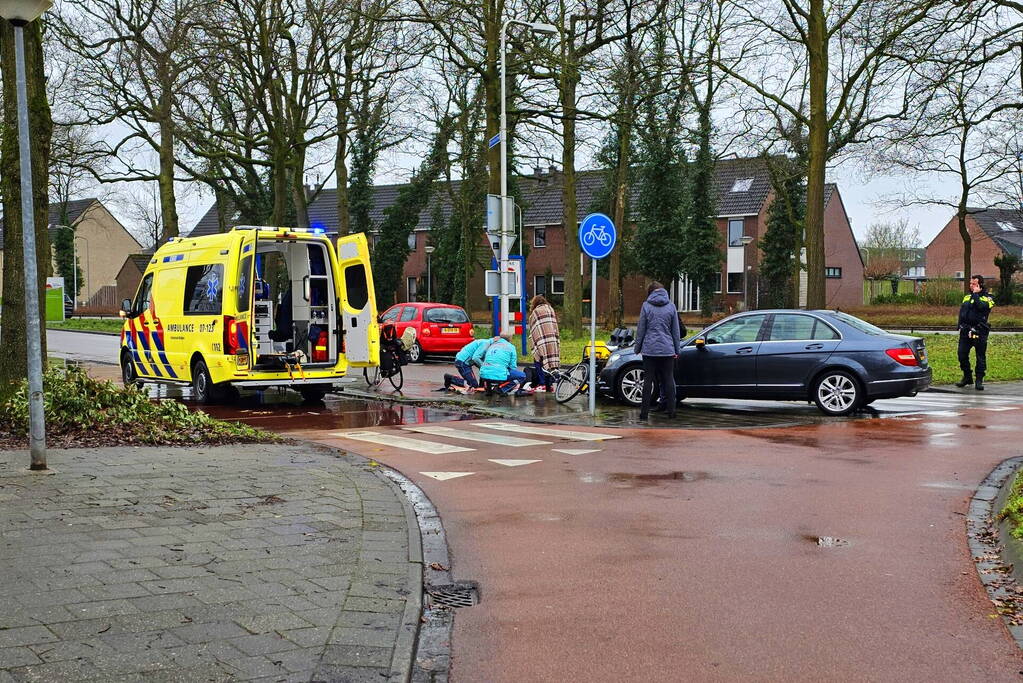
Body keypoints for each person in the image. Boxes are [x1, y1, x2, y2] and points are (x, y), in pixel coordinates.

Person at [635, 281, 681, 420]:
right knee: (669, 379)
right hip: (667, 350)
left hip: (650, 350)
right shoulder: (671, 306)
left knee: (648, 381)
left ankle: (644, 413)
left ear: (650, 292)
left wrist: (637, 348)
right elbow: (675, 331)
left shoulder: (646, 306)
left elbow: (641, 329)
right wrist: (677, 350)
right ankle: (672, 412)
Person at [956, 274, 995, 390]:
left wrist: (976, 294)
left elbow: (982, 307)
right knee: (961, 354)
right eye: (971, 283)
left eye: (974, 284)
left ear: (980, 285)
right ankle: (967, 376)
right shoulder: (967, 297)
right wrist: (959, 325)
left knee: (980, 356)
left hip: (980, 330)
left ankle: (979, 380)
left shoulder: (988, 298)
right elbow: (962, 312)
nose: (971, 286)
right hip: (965, 330)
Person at [527, 295, 560, 391]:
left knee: (538, 361)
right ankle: (550, 384)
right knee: (551, 362)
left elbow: (534, 329)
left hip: (541, 341)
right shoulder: (551, 309)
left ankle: (542, 383)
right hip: (552, 340)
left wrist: (533, 341)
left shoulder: (535, 312)